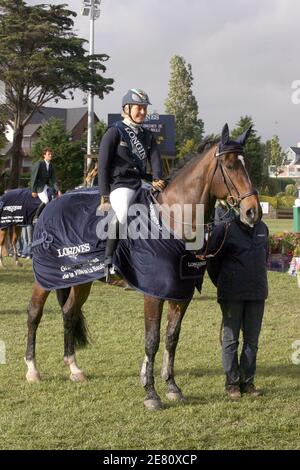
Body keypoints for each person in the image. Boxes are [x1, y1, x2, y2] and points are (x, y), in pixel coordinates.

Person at [97, 88, 166, 281]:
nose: (143, 112)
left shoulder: (146, 135)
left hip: (140, 183)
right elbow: (102, 165)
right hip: (120, 185)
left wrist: (157, 178)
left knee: (158, 212)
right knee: (123, 212)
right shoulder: (115, 131)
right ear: (126, 108)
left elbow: (155, 159)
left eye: (145, 109)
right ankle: (109, 262)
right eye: (139, 108)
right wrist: (104, 195)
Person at [206, 214, 269, 400]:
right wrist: (225, 283)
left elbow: (264, 256)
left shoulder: (263, 228)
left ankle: (247, 382)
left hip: (257, 294)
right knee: (231, 339)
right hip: (231, 294)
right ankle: (232, 384)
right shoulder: (224, 229)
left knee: (252, 341)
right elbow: (212, 262)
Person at [31, 147, 61, 217]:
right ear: (44, 155)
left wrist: (58, 190)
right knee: (46, 201)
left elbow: (54, 179)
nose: (50, 155)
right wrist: (33, 190)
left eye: (51, 154)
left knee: (53, 198)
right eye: (49, 154)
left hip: (46, 185)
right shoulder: (39, 164)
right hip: (39, 187)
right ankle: (36, 217)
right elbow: (34, 177)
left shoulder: (51, 166)